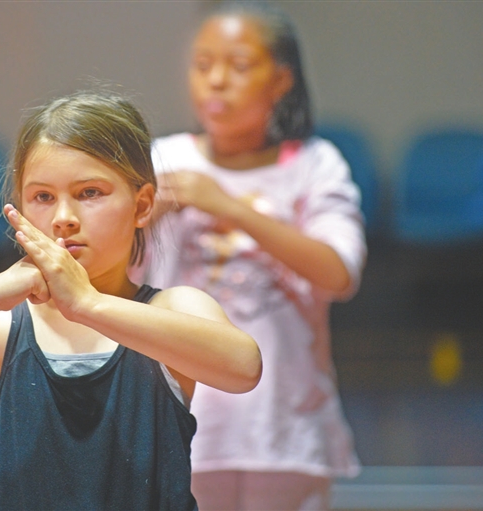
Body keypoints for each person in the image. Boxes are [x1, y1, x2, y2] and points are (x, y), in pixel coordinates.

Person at [0, 89, 262, 511]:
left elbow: (243, 368)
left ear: (142, 204)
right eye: (42, 197)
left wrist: (89, 305)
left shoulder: (173, 309)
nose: (63, 218)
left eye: (90, 192)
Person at [139, 1, 366, 509]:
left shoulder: (315, 164)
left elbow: (339, 274)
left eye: (239, 66)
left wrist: (228, 206)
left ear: (281, 79)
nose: (216, 81)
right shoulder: (162, 160)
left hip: (285, 423)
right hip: (179, 412)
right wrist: (141, 214)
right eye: (203, 65)